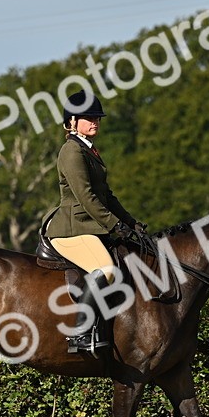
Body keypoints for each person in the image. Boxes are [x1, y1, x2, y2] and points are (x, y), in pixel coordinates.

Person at [46, 91, 145, 354]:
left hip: (90, 226)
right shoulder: (71, 151)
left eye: (97, 118)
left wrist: (130, 222)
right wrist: (114, 225)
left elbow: (106, 195)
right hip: (72, 228)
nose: (95, 122)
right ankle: (80, 333)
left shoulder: (89, 150)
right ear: (72, 122)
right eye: (89, 118)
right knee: (107, 270)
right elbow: (86, 197)